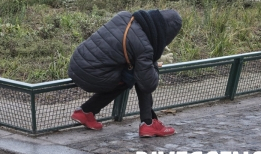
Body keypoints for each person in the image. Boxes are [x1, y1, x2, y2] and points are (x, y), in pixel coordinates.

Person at [68, 9, 182, 137]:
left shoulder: (125, 16)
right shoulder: (145, 47)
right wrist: (154, 60)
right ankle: (148, 124)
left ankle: (86, 112)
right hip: (92, 75)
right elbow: (149, 84)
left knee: (137, 72)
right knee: (137, 76)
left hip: (76, 64)